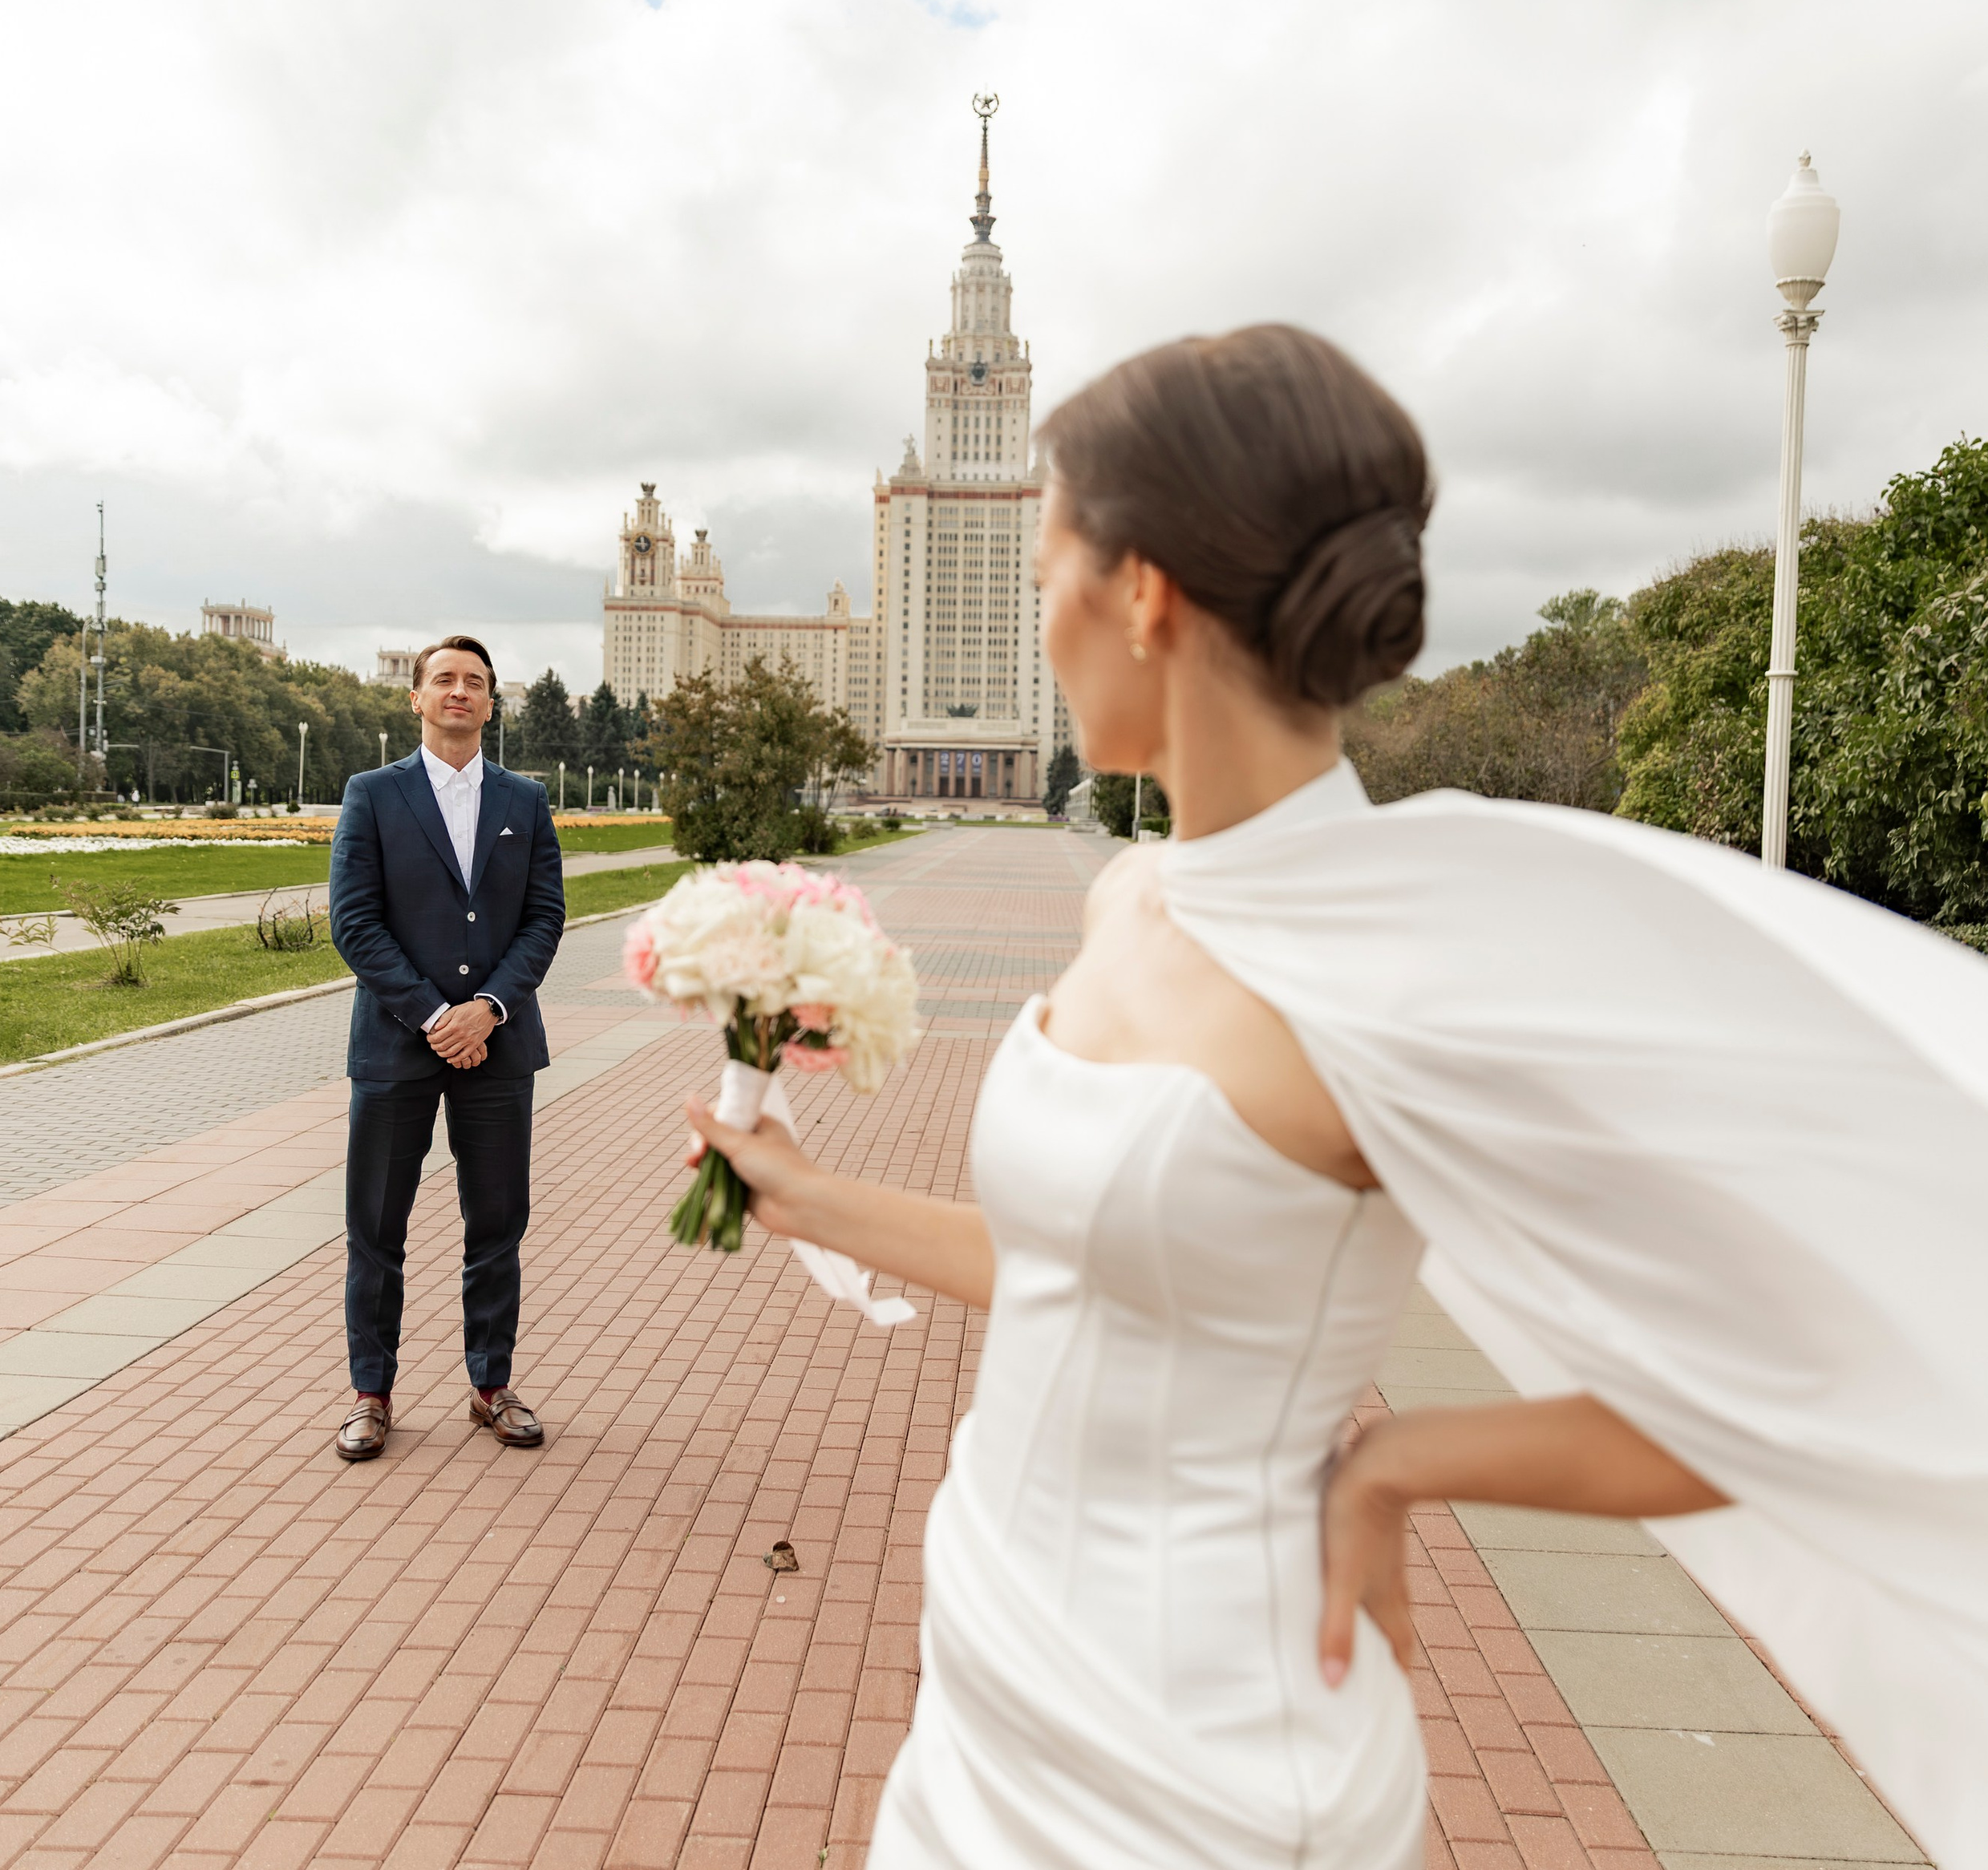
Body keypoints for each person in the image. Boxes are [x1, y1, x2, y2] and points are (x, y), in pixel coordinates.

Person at [684, 326, 1988, 1868]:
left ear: (1145, 592)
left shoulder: (1399, 974)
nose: (1044, 626)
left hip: (1208, 1759)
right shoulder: (1132, 903)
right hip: (986, 1670)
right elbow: (1086, 1272)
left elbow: (1811, 1370)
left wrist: (1404, 1461)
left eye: (1053, 576)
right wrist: (807, 1196)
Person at [328, 634, 566, 1463]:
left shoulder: (525, 800)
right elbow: (353, 922)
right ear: (417, 698)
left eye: (475, 682)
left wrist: (489, 1007)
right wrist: (436, 1014)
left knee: (497, 1223)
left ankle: (491, 1384)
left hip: (498, 1049)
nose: (459, 692)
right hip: (397, 1046)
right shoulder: (372, 794)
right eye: (444, 680)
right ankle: (370, 1392)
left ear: (491, 704)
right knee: (375, 1227)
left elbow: (544, 918)